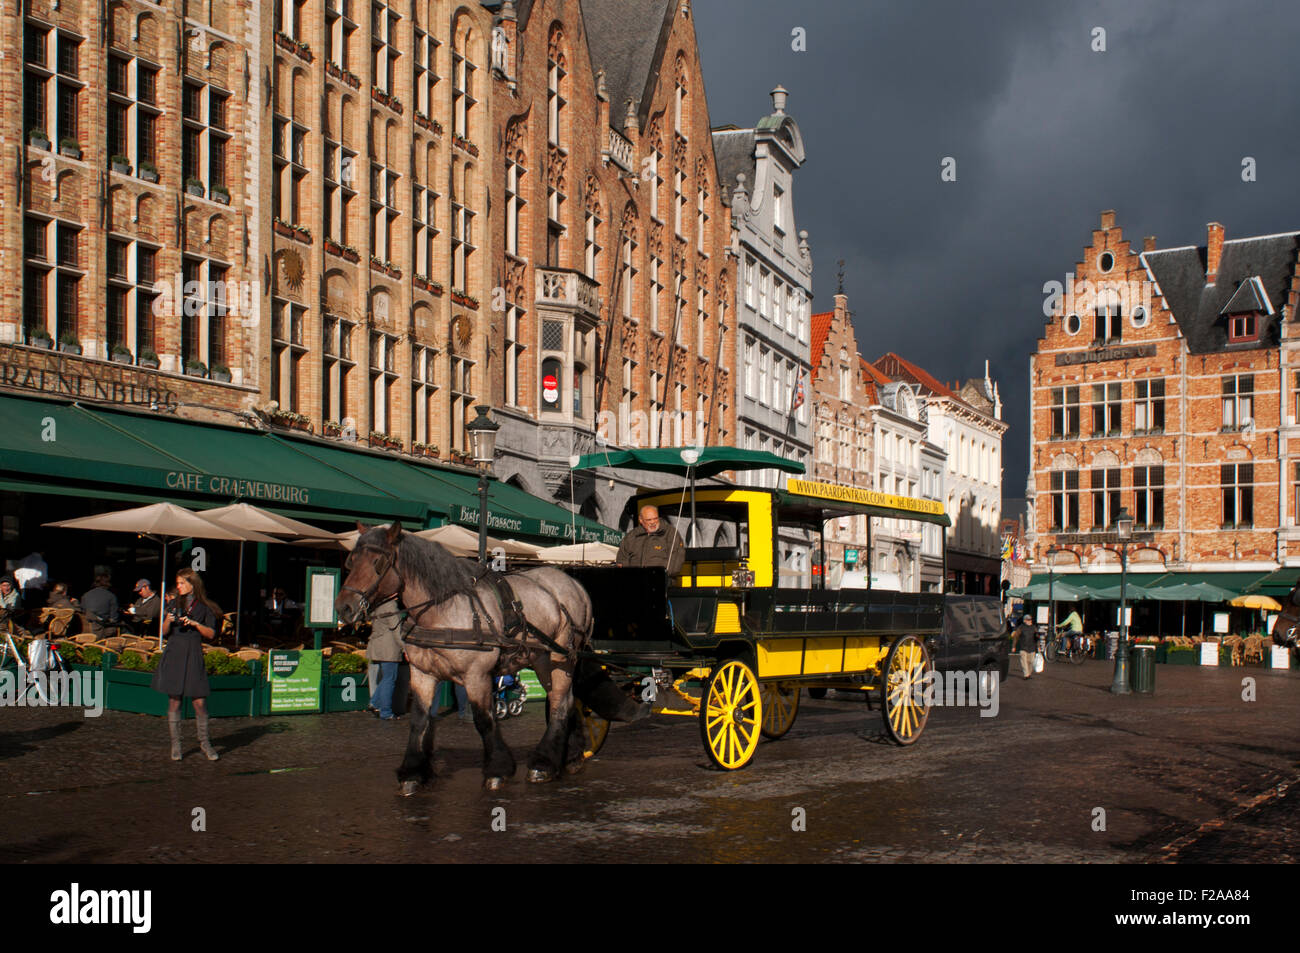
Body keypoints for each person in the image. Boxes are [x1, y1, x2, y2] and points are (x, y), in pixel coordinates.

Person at [152, 568, 221, 761]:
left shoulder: (205, 607)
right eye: (178, 583)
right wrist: (168, 619)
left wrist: (194, 624)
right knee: (174, 700)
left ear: (192, 584)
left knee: (199, 701)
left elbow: (211, 634)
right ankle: (176, 745)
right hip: (175, 652)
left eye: (182, 583)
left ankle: (205, 742)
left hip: (193, 653)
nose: (179, 587)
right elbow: (164, 631)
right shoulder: (173, 603)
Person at [615, 505, 686, 576]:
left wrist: (663, 575)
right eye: (649, 520)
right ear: (641, 520)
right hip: (636, 582)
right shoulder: (632, 536)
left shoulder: (670, 533)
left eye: (655, 518)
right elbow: (622, 560)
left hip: (662, 582)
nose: (653, 522)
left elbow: (677, 559)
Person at [366, 607, 404, 720]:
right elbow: (397, 631)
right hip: (389, 648)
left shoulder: (377, 606)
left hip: (377, 645)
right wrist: (404, 648)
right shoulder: (391, 606)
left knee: (386, 678)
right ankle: (386, 712)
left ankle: (374, 702)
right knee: (389, 678)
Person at [80, 574, 120, 638]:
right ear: (108, 583)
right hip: (101, 629)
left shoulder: (86, 595)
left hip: (86, 628)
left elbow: (83, 610)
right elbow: (114, 618)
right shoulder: (111, 596)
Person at [1015, 613, 1038, 679]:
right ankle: (1026, 674)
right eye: (1028, 620)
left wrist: (1038, 645)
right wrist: (1014, 646)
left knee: (1031, 662)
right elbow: (1016, 636)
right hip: (1023, 647)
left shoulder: (1034, 628)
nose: (1029, 621)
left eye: (1030, 620)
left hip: (1032, 647)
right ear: (1024, 620)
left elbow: (1037, 638)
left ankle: (1029, 673)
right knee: (1024, 662)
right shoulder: (1021, 627)